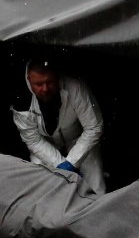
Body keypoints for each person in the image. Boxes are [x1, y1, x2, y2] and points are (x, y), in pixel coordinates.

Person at [11, 58, 106, 193]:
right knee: (39, 183)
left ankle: (97, 205)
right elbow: (32, 139)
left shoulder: (75, 87)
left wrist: (72, 161)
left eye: (50, 82)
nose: (45, 89)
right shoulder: (21, 97)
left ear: (57, 76)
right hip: (44, 142)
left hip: (78, 138)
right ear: (28, 79)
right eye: (38, 84)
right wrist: (60, 164)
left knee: (94, 176)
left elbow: (94, 127)